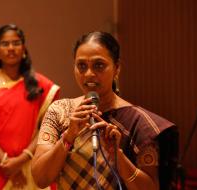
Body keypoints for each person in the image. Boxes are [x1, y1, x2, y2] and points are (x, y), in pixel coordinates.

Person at [31, 31, 178, 190]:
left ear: (117, 68)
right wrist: (68, 136)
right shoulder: (59, 111)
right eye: (81, 66)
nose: (89, 74)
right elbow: (40, 178)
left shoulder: (139, 123)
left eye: (98, 65)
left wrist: (118, 156)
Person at [0, 24, 60, 190]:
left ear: (24, 48)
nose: (11, 48)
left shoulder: (40, 85)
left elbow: (46, 128)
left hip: (31, 165)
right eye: (5, 44)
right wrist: (5, 162)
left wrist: (21, 160)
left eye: (16, 43)